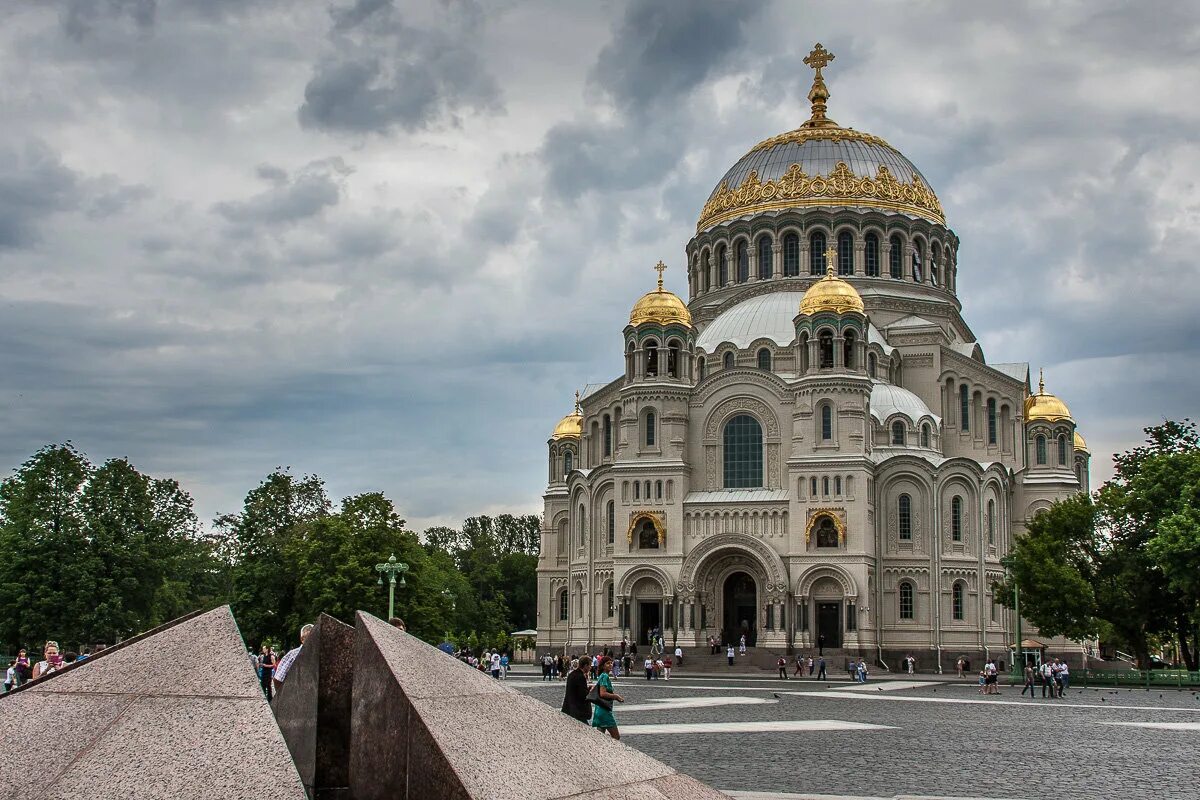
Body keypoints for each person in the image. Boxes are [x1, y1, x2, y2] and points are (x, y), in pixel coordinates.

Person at [590, 656, 625, 740]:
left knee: (599, 739)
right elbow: (602, 693)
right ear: (603, 666)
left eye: (611, 663)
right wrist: (616, 696)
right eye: (608, 663)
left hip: (599, 710)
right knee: (616, 737)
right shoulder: (605, 676)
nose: (610, 665)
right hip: (604, 711)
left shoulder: (602, 676)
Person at [274, 623, 313, 693]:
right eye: (310, 637)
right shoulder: (293, 655)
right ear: (302, 639)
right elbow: (278, 679)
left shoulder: (318, 654)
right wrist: (282, 696)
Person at [562, 658, 590, 724]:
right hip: (577, 711)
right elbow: (583, 695)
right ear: (585, 665)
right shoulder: (581, 677)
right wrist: (589, 691)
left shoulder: (571, 674)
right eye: (590, 665)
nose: (590, 668)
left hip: (568, 708)